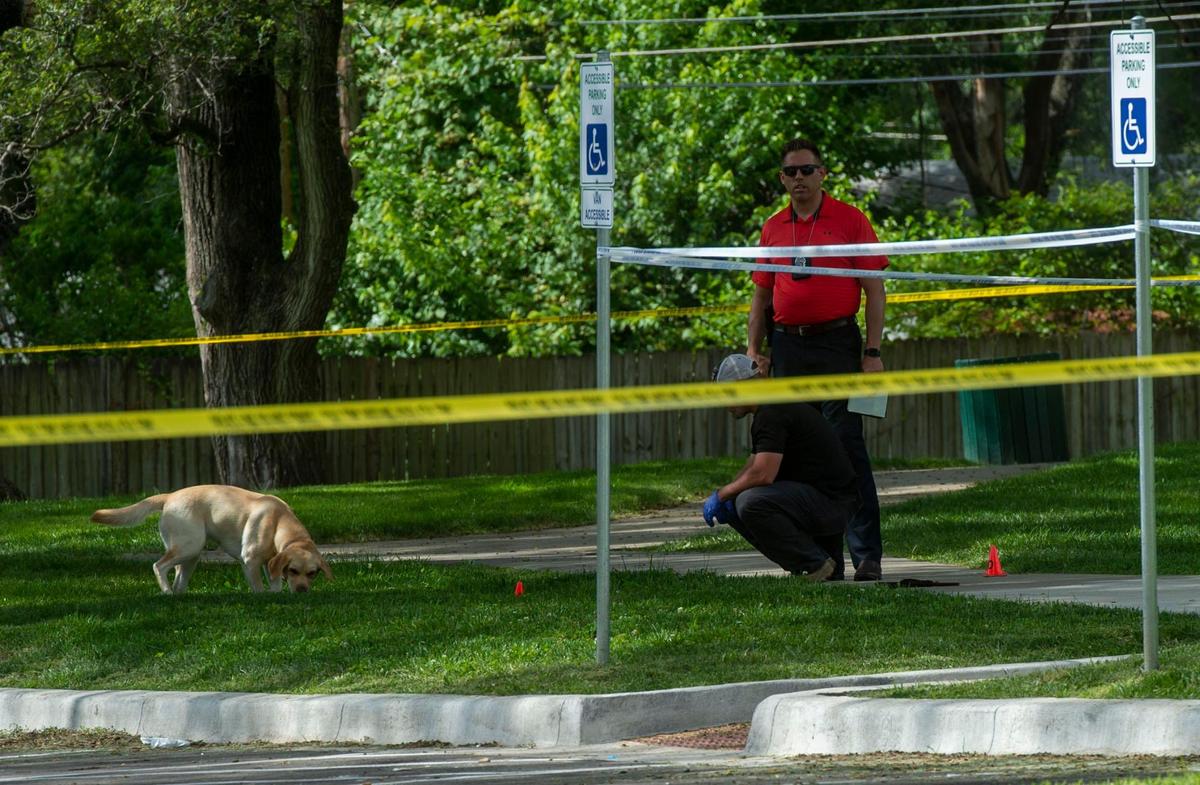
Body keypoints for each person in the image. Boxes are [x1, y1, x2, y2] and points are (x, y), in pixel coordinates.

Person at [744, 137, 887, 582]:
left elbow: (875, 289)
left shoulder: (850, 220)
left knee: (847, 448)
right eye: (791, 172)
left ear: (822, 173)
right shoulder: (773, 228)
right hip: (788, 347)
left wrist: (873, 353)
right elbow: (762, 294)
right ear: (782, 178)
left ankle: (866, 555)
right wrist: (755, 350)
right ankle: (823, 561)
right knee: (799, 456)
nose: (799, 179)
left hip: (838, 344)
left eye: (807, 170)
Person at [702, 354, 860, 582]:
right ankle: (823, 563)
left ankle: (813, 564)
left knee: (750, 503)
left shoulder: (771, 413)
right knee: (737, 500)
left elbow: (763, 474)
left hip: (830, 504)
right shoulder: (773, 405)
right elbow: (753, 463)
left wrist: (722, 495)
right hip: (827, 500)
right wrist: (726, 496)